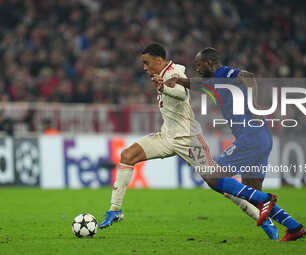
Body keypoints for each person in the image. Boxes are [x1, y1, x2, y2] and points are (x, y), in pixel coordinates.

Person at [98, 43, 273, 239]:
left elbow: (181, 94)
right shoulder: (158, 76)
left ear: (159, 61)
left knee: (217, 182)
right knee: (127, 155)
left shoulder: (177, 70)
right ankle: (115, 211)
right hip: (167, 136)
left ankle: (264, 219)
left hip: (189, 139)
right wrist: (162, 85)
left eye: (147, 63)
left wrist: (164, 86)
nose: (144, 68)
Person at [157, 47, 306, 241]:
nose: (196, 67)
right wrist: (178, 81)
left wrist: (253, 104)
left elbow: (249, 76)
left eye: (199, 64)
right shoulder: (214, 81)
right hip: (261, 138)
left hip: (251, 137)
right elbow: (198, 84)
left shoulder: (223, 73)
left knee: (211, 175)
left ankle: (267, 200)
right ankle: (294, 227)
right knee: (252, 195)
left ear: (210, 63)